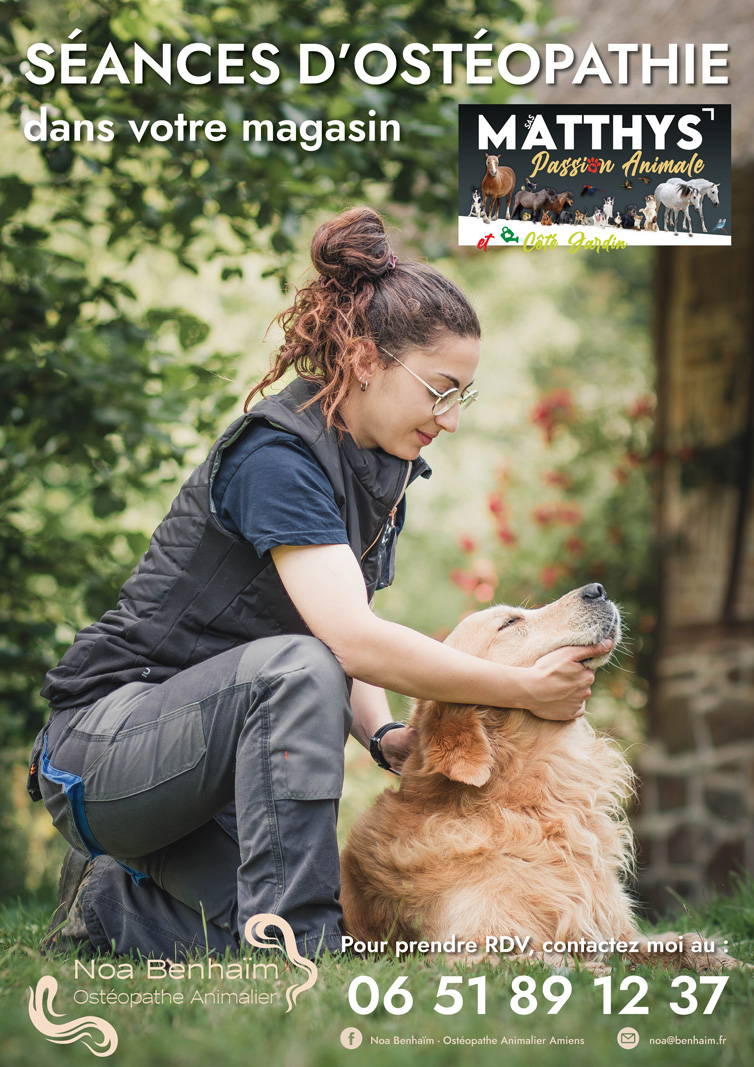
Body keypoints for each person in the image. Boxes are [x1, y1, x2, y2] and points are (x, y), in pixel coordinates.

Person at [29, 207, 609, 960]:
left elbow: (340, 635)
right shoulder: (278, 458)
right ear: (365, 359)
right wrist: (524, 689)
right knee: (299, 673)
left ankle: (110, 901)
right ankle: (305, 944)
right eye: (439, 389)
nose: (450, 418)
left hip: (205, 766)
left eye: (462, 396)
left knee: (260, 923)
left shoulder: (379, 470)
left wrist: (385, 736)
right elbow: (349, 641)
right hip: (102, 753)